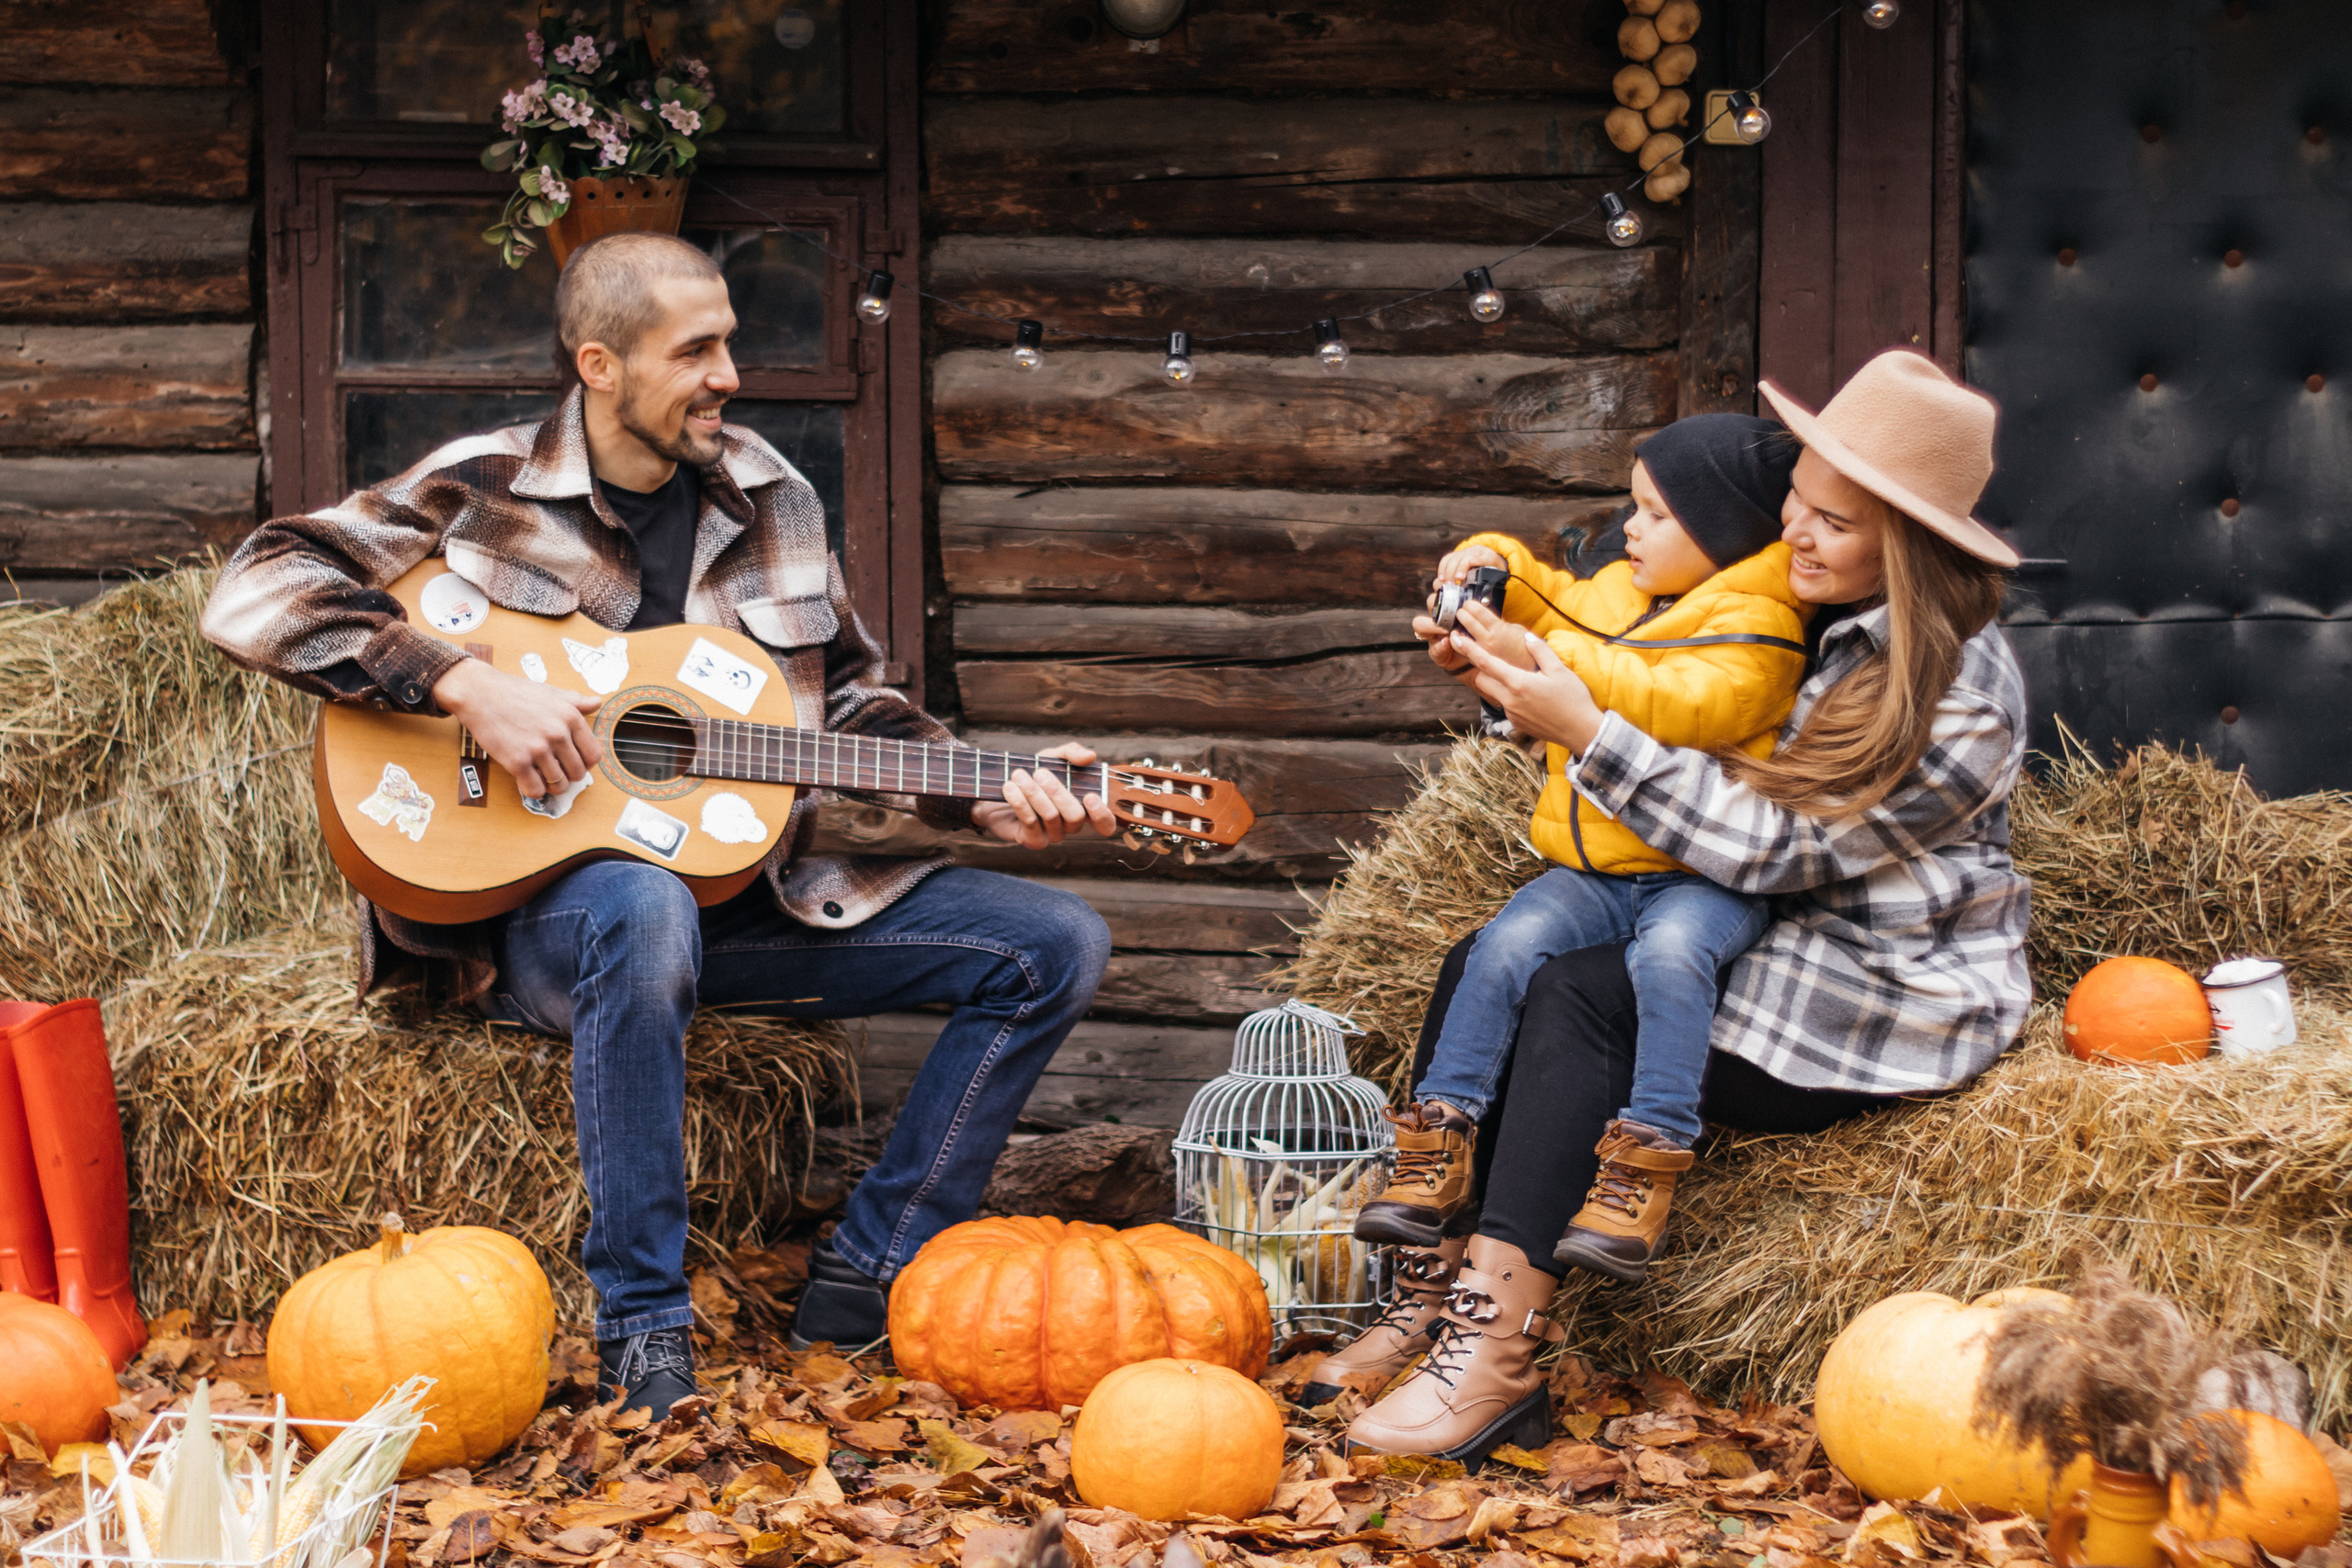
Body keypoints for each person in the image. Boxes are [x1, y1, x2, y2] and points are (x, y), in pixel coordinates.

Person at [201, 232, 1119, 1418]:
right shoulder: (480, 484)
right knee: (640, 896)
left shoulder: (771, 495)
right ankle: (643, 1325)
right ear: (600, 362)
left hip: (750, 905)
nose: (729, 371)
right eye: (697, 349)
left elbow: (842, 705)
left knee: (1056, 939)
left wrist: (979, 784)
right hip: (552, 915)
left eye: (729, 340)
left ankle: (872, 1268)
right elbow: (252, 586)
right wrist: (463, 682)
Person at [1329, 349, 2031, 1464]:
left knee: (1582, 1002)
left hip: (1865, 986)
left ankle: (1495, 1353)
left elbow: (1775, 849)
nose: (1794, 536)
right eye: (1795, 506)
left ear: (1908, 542)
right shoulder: (1802, 609)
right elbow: (1684, 719)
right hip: (1746, 920)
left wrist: (1585, 729)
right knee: (1486, 955)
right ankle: (1430, 1291)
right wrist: (1517, 678)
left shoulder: (1955, 696)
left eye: (1833, 524)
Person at [1345, 414, 1808, 1291]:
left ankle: (1645, 1159)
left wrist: (1545, 667)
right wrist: (1486, 570)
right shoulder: (1624, 597)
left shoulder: (1762, 626)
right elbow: (1548, 592)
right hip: (1596, 871)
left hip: (1700, 875)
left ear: (1721, 533)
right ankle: (1437, 1141)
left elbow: (1679, 701)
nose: (1631, 529)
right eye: (1633, 507)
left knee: (1673, 960)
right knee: (1503, 945)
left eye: (1658, 515)